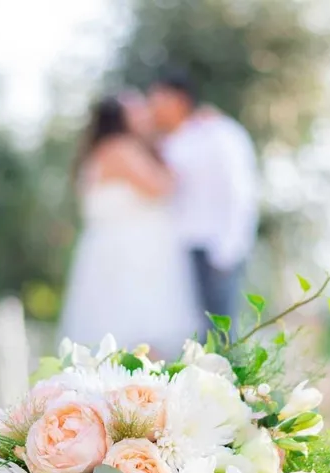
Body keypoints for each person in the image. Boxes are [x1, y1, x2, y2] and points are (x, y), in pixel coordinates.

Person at [59, 92, 201, 359]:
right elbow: (162, 187)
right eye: (137, 111)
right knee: (136, 337)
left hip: (132, 254)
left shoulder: (116, 148)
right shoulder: (119, 149)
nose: (145, 115)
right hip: (128, 259)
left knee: (138, 337)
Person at [148, 70, 259, 336]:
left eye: (158, 99)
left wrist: (228, 251)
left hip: (214, 248)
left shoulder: (219, 133)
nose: (152, 106)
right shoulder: (165, 143)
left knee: (221, 335)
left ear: (179, 100)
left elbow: (240, 191)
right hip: (177, 251)